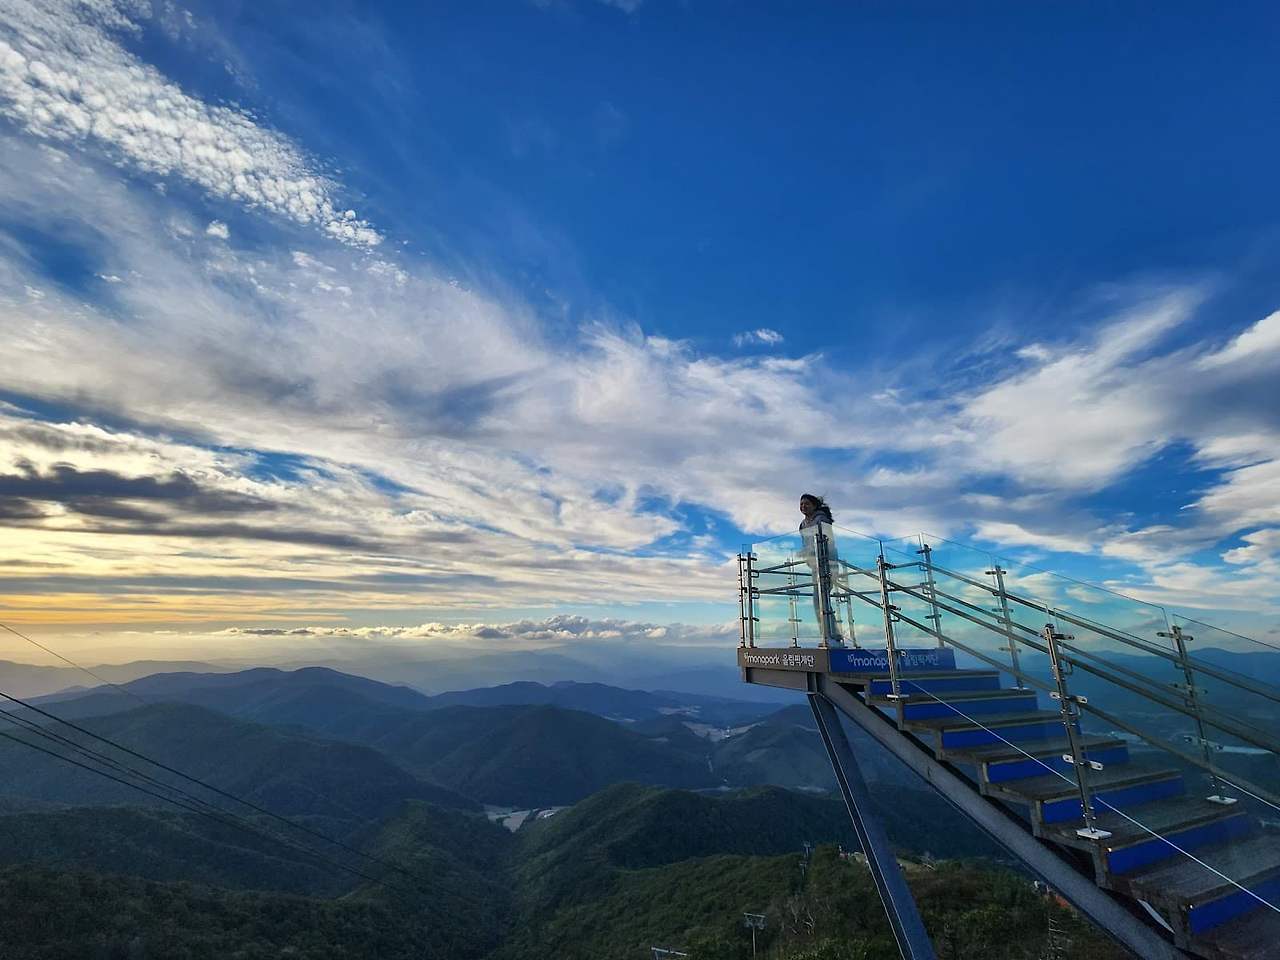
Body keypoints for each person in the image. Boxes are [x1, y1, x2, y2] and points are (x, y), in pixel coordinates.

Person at [799, 493, 844, 645]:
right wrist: (807, 555)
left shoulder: (821, 519)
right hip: (815, 564)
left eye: (806, 503)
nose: (803, 506)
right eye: (801, 504)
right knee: (820, 600)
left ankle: (831, 636)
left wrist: (812, 552)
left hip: (827, 562)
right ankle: (831, 634)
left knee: (820, 599)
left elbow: (825, 540)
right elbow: (806, 543)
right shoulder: (803, 524)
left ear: (814, 505)